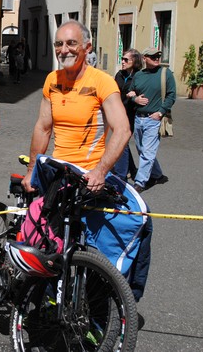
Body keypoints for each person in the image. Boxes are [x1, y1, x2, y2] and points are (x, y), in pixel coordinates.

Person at [22, 21, 151, 302]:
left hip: (90, 173)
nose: (64, 49)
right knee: (46, 239)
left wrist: (101, 170)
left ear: (87, 47)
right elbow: (43, 128)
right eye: (59, 44)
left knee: (140, 216)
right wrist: (32, 171)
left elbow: (122, 129)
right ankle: (41, 295)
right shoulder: (52, 81)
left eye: (71, 43)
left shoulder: (101, 82)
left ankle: (114, 295)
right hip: (59, 173)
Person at [129, 47, 176, 193]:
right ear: (145, 58)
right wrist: (134, 98)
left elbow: (171, 95)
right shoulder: (138, 75)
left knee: (148, 152)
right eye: (153, 56)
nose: (157, 58)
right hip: (139, 118)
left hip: (153, 119)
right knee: (142, 150)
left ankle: (140, 182)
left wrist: (160, 112)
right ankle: (157, 174)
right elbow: (131, 92)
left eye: (158, 56)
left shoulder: (165, 73)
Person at [112, 49, 143, 182]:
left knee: (122, 142)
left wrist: (135, 97)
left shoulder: (139, 76)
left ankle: (121, 175)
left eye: (126, 60)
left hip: (131, 113)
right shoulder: (119, 74)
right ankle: (132, 169)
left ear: (134, 62)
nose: (122, 62)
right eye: (122, 59)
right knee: (123, 142)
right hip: (118, 112)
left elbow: (142, 94)